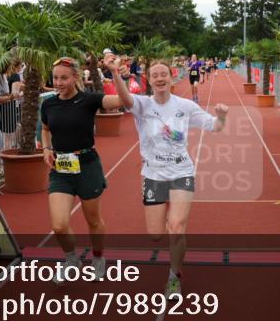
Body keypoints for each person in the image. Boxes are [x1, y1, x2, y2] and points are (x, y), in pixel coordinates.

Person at [107, 54, 228, 295]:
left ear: (171, 78)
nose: (160, 78)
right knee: (155, 235)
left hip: (182, 171)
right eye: (155, 75)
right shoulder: (142, 105)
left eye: (164, 74)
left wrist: (222, 116)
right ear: (149, 80)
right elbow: (124, 98)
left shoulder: (185, 106)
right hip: (153, 175)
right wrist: (114, 73)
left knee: (177, 226)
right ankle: (166, 229)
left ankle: (174, 275)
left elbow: (214, 126)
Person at [40, 56, 129, 283]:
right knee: (59, 225)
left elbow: (122, 100)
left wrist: (115, 73)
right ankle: (71, 259)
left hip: (87, 165)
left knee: (94, 221)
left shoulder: (89, 99)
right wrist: (47, 148)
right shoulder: (48, 103)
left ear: (75, 78)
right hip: (61, 168)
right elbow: (46, 128)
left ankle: (98, 257)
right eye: (55, 78)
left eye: (64, 78)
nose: (58, 82)